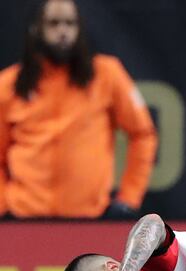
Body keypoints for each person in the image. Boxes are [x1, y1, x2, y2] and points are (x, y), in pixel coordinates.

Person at [0, 0, 157, 219]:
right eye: (53, 24)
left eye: (69, 23)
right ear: (36, 29)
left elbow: (142, 134)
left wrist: (129, 198)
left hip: (88, 219)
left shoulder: (107, 74)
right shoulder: (9, 83)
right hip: (23, 217)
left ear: (79, 29)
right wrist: (2, 204)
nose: (62, 31)